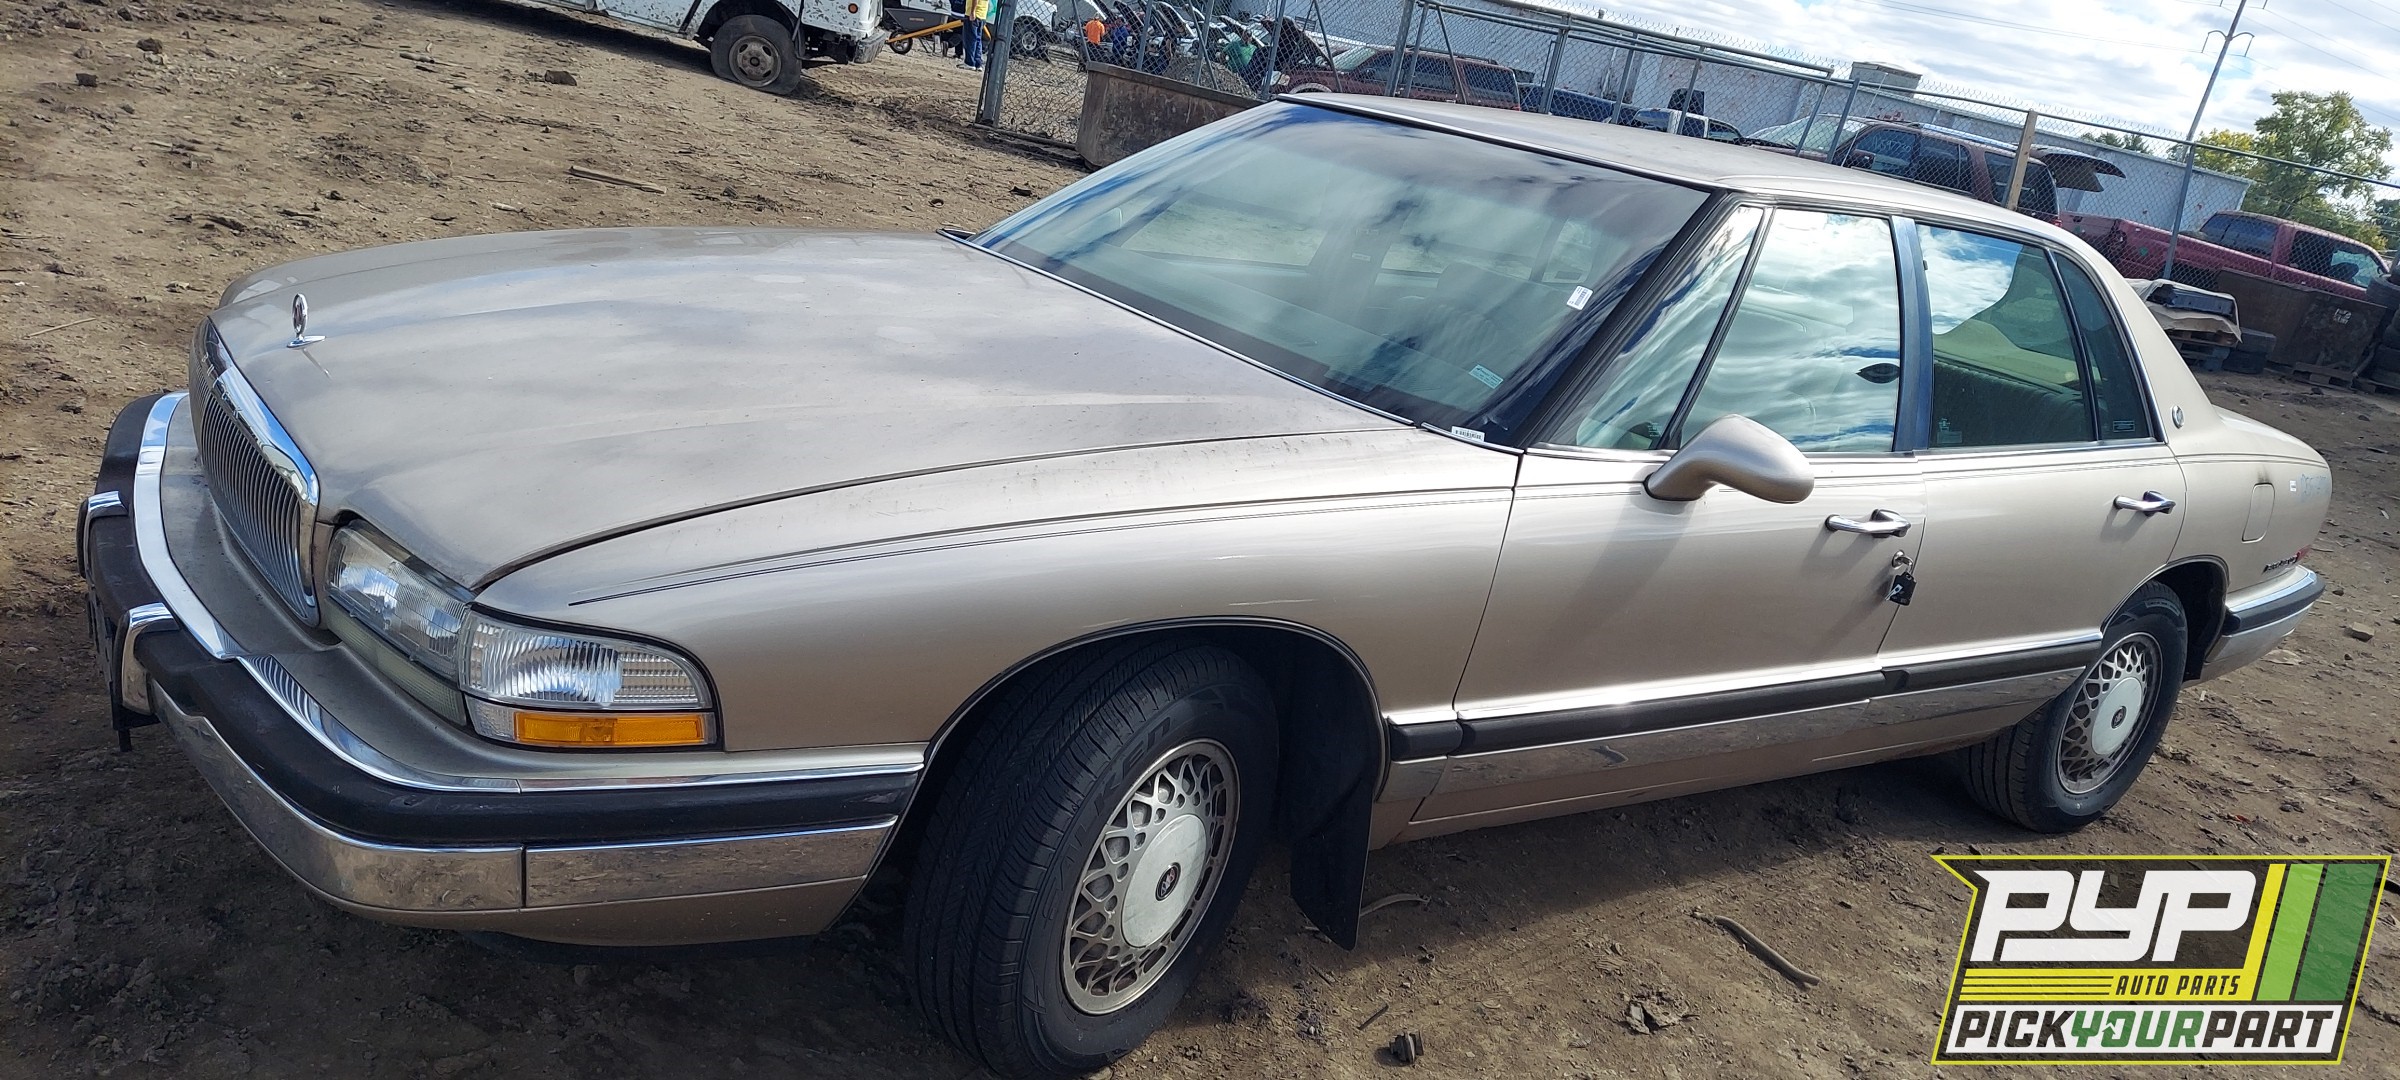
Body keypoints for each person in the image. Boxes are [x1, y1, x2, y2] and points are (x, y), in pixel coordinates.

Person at [962, 0, 993, 69]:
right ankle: (977, 63)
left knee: (970, 40)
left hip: (973, 15)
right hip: (982, 15)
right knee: (978, 40)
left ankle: (969, 62)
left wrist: (972, 11)